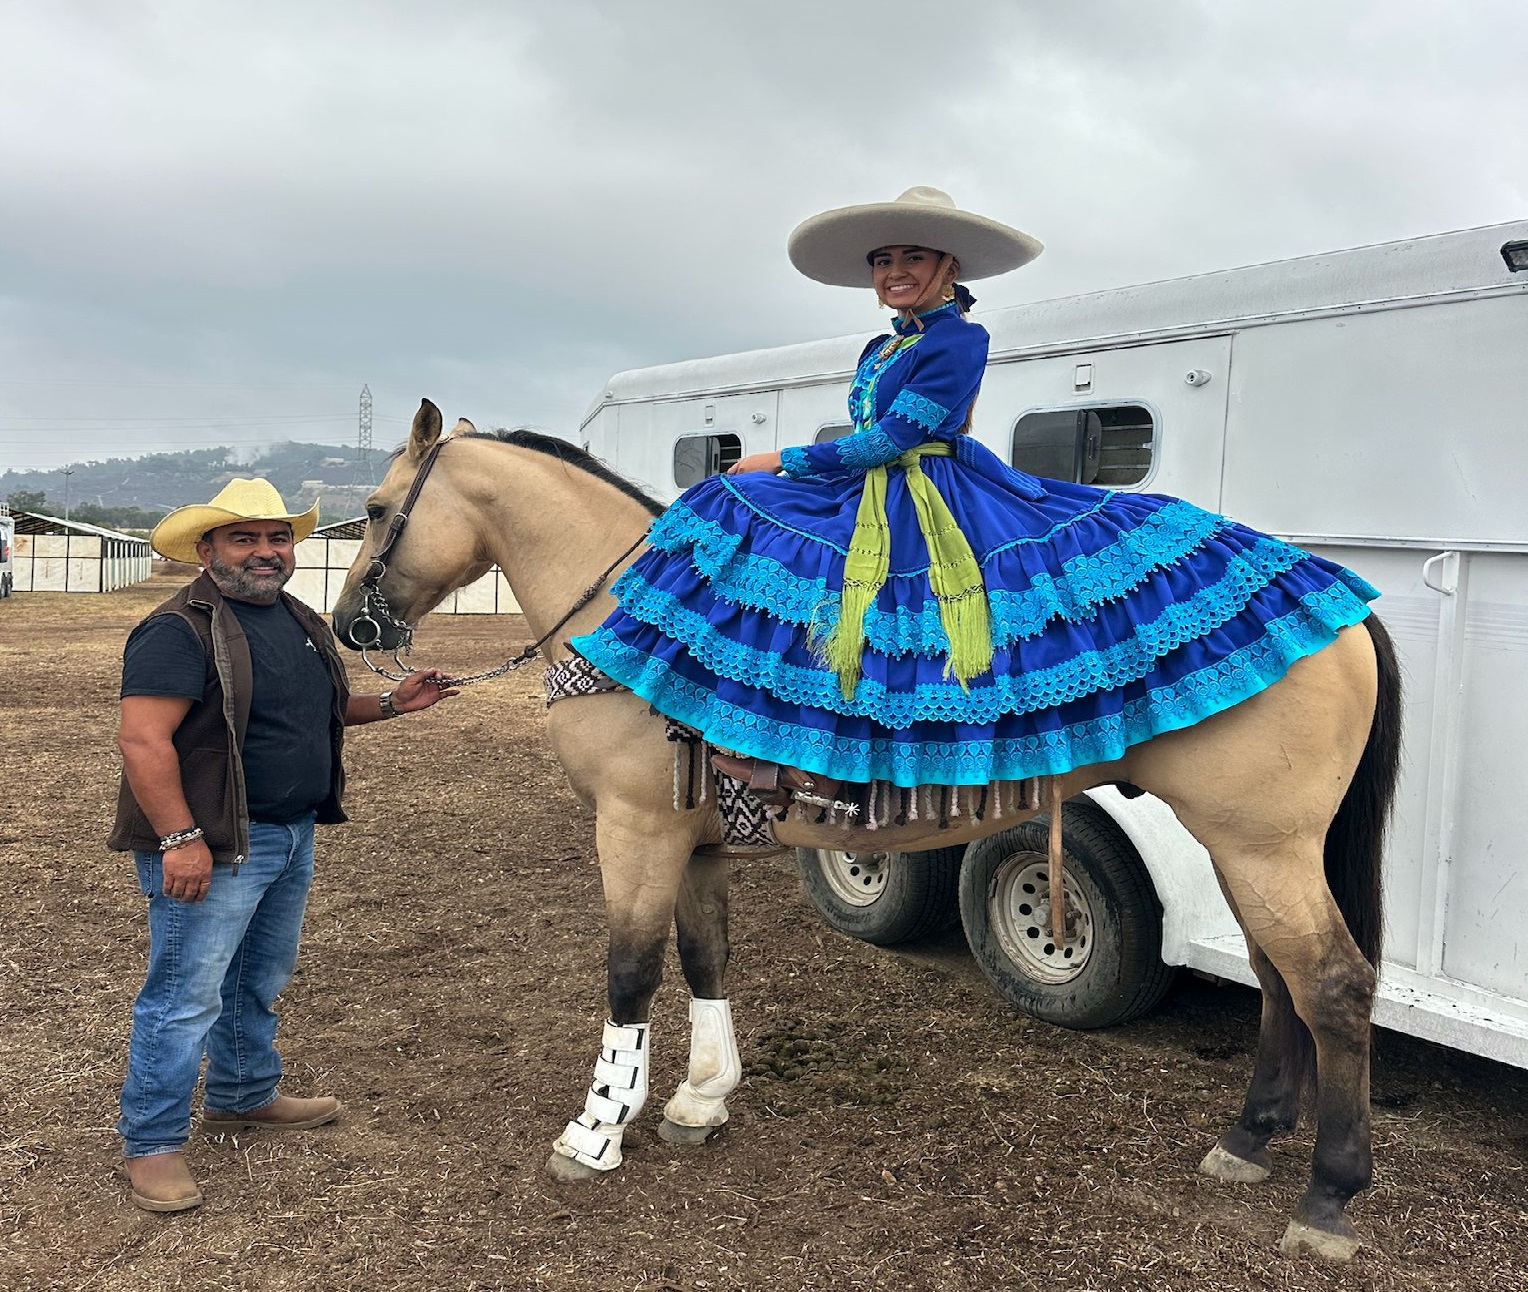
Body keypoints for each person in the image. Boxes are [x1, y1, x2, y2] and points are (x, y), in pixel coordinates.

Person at [571, 186, 1379, 800]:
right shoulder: (882, 345)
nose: (894, 273)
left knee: (811, 550)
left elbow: (894, 439)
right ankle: (756, 731)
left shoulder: (961, 338)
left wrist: (785, 459)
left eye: (911, 259)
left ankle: (857, 759)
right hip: (883, 485)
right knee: (760, 541)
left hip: (930, 486)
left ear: (948, 268)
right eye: (883, 262)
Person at [108, 478, 458, 1213]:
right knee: (182, 999)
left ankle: (241, 1095)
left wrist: (392, 703)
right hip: (216, 841)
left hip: (290, 834)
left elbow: (319, 711)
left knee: (255, 980)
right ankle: (152, 1145)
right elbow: (142, 741)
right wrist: (181, 840)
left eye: (277, 538)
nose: (265, 552)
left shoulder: (295, 618)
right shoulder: (178, 630)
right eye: (245, 538)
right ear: (206, 551)